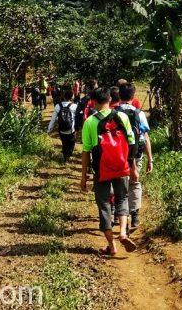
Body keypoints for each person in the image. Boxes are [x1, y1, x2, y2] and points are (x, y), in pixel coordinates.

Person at [80, 86, 138, 256]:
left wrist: (84, 177)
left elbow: (86, 151)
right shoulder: (122, 116)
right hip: (121, 166)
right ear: (110, 100)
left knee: (104, 205)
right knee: (122, 198)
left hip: (101, 170)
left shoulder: (90, 122)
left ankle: (112, 246)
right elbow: (131, 143)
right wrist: (132, 167)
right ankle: (122, 233)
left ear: (93, 102)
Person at [117, 82, 153, 231]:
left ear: (119, 95)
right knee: (134, 183)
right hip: (136, 154)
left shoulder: (114, 113)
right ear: (133, 96)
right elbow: (145, 137)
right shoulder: (139, 114)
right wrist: (150, 158)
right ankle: (135, 215)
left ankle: (119, 216)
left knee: (120, 186)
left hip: (118, 155)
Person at [47, 88, 78, 162]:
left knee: (64, 143)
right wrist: (77, 128)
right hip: (71, 130)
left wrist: (49, 129)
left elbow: (53, 119)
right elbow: (77, 119)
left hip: (61, 129)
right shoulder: (75, 106)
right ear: (72, 97)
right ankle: (68, 155)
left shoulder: (58, 106)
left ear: (63, 96)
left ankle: (65, 156)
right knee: (71, 143)